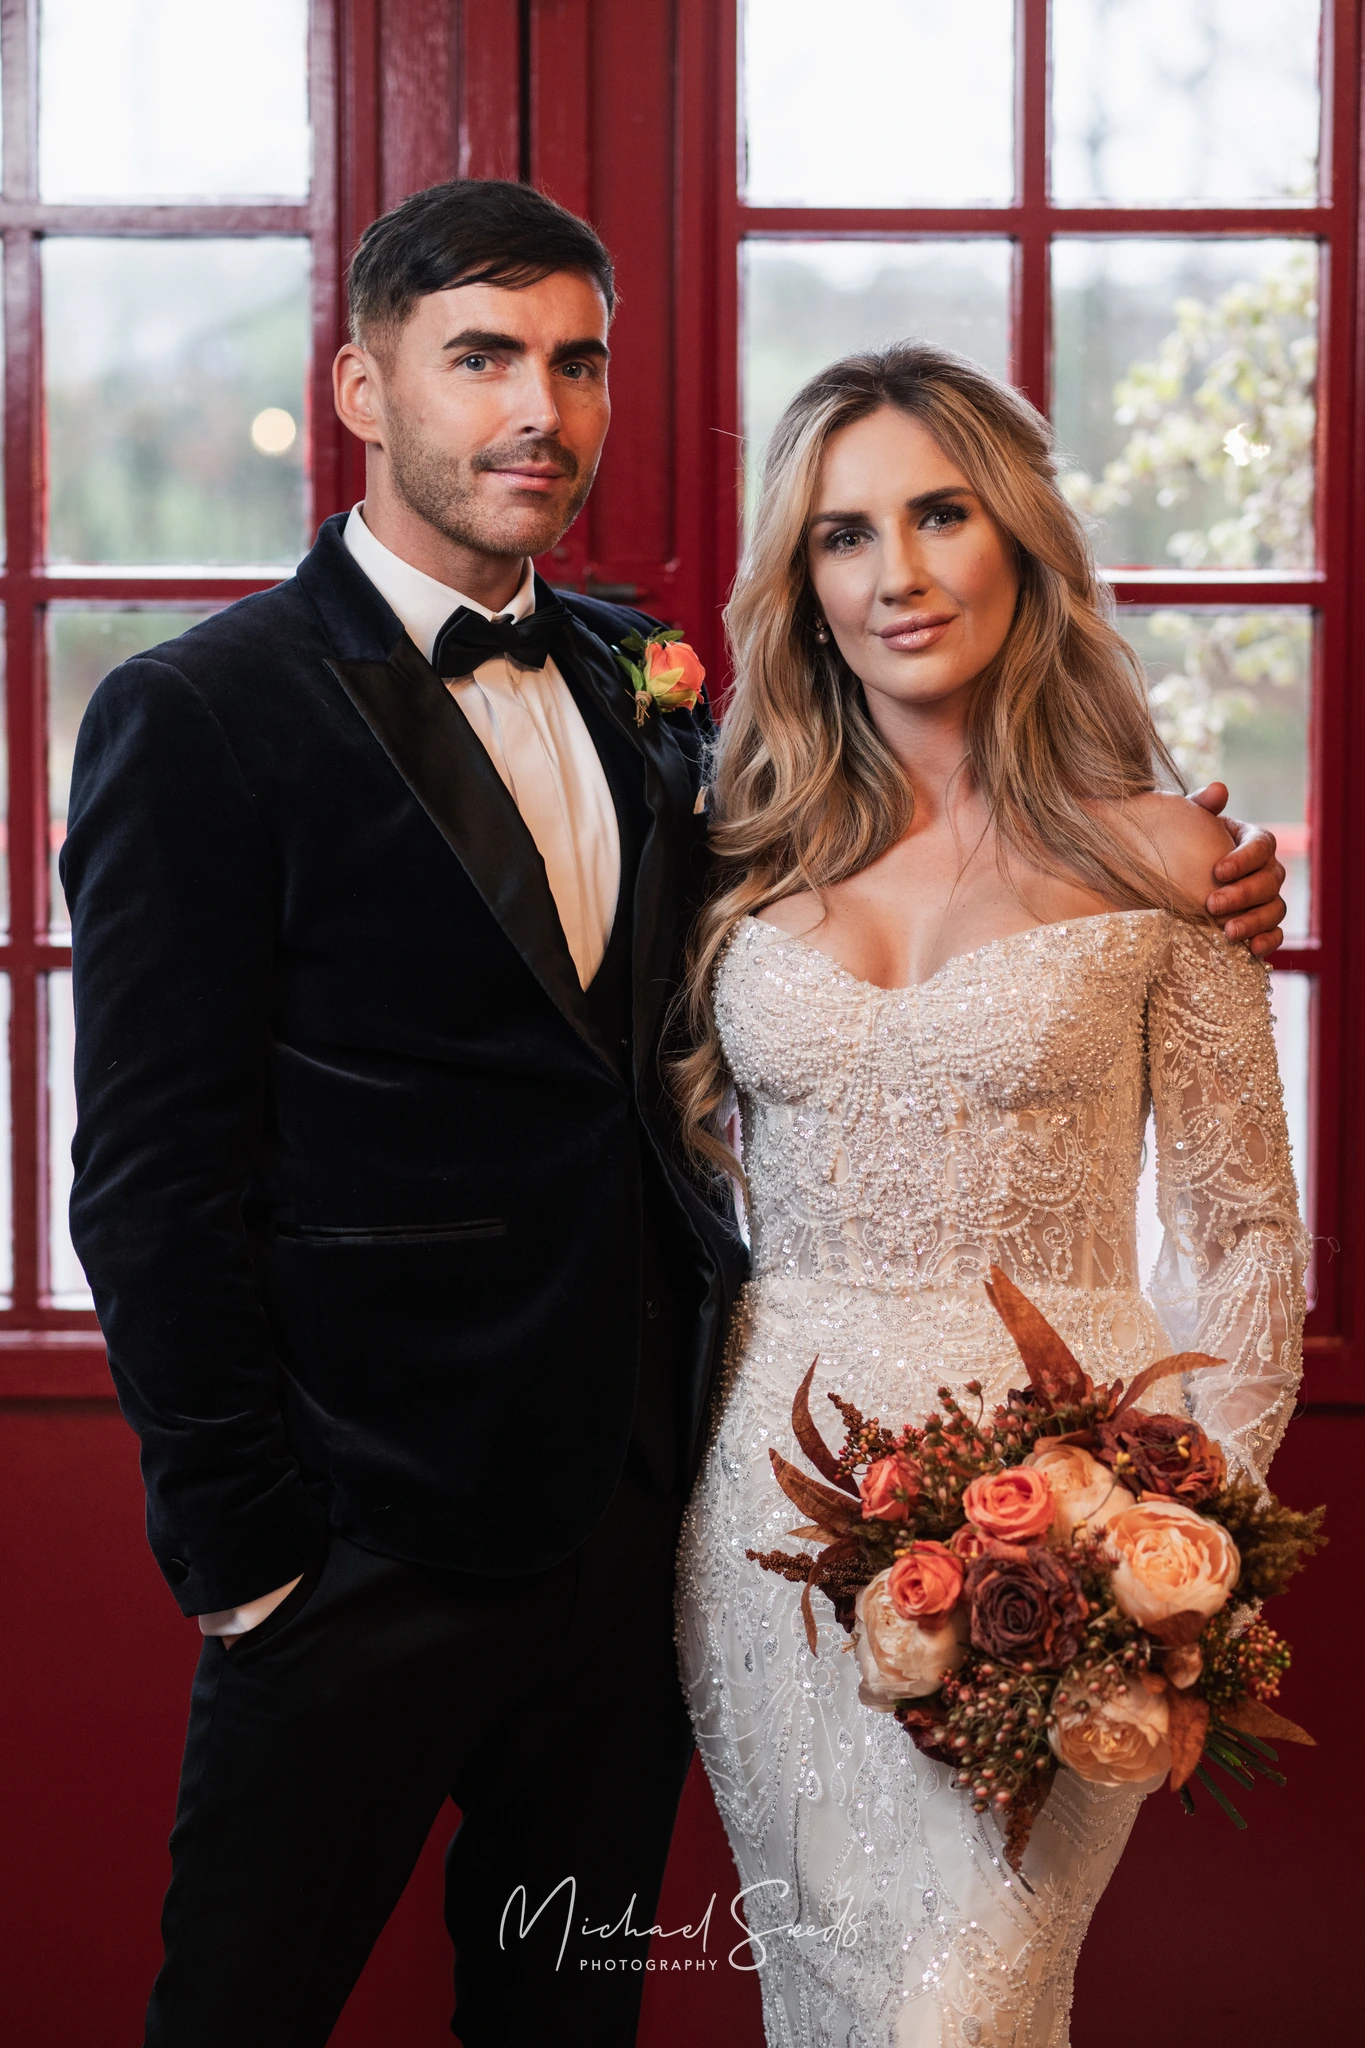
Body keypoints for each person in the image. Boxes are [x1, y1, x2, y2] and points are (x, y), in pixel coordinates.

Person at [61, 178, 747, 2048]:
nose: (544, 409)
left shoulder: (645, 681)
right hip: (355, 1555)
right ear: (364, 387)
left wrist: (1161, 868)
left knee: (561, 2027)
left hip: (627, 1534)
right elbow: (143, 1177)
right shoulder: (196, 714)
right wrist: (251, 1556)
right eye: (484, 358)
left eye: (579, 362)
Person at [673, 343, 1305, 2046]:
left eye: (941, 514)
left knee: (969, 2010)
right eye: (843, 534)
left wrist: (1178, 1553)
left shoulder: (1167, 862)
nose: (899, 574)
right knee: (827, 2003)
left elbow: (1246, 1243)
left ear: (1019, 539)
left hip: (1074, 1521)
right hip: (770, 1529)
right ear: (800, 585)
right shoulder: (735, 855)